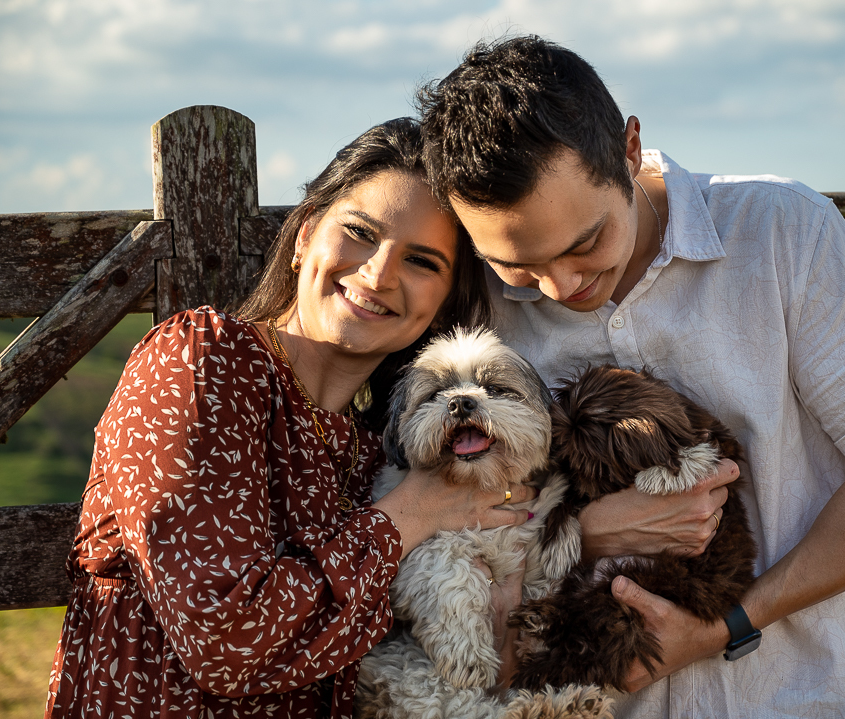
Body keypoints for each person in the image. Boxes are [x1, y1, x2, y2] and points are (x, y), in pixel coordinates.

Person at [418, 36, 845, 717]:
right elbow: (447, 511)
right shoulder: (474, 315)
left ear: (629, 148)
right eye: (519, 264)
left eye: (586, 242)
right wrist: (586, 530)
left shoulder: (783, 231)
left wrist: (725, 625)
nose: (561, 285)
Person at [45, 117, 536, 719]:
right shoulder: (203, 362)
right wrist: (417, 510)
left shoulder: (378, 456)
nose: (378, 274)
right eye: (358, 232)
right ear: (304, 235)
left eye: (422, 262)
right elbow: (224, 642)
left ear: (441, 306)